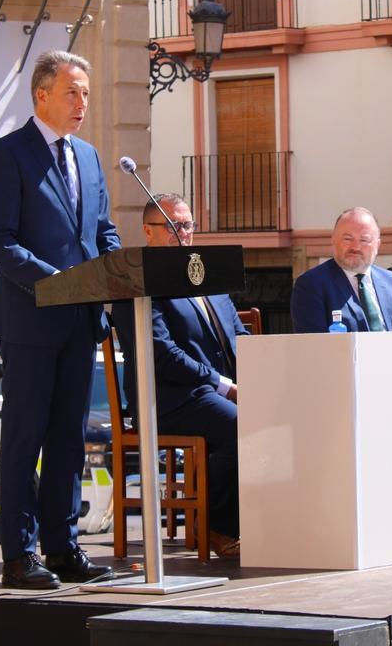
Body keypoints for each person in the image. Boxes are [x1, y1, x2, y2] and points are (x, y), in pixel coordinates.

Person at [0, 50, 121, 589]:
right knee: (25, 439)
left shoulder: (88, 157)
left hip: (80, 321)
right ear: (41, 96)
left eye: (85, 93)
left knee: (67, 439)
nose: (82, 102)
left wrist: (116, 267)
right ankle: (20, 554)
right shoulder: (6, 156)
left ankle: (63, 548)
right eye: (72, 92)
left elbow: (101, 230)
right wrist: (57, 282)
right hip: (32, 318)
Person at [114, 194, 247, 558]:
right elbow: (162, 354)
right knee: (240, 426)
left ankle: (266, 519)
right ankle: (216, 526)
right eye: (171, 225)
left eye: (187, 225)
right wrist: (224, 385)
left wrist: (262, 372)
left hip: (212, 394)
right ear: (148, 231)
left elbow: (240, 338)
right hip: (169, 398)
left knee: (282, 418)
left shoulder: (205, 273)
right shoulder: (137, 280)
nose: (181, 233)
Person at [290, 207, 392, 334]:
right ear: (333, 240)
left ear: (377, 245)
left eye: (364, 240)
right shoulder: (311, 285)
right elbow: (314, 345)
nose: (356, 247)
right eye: (347, 239)